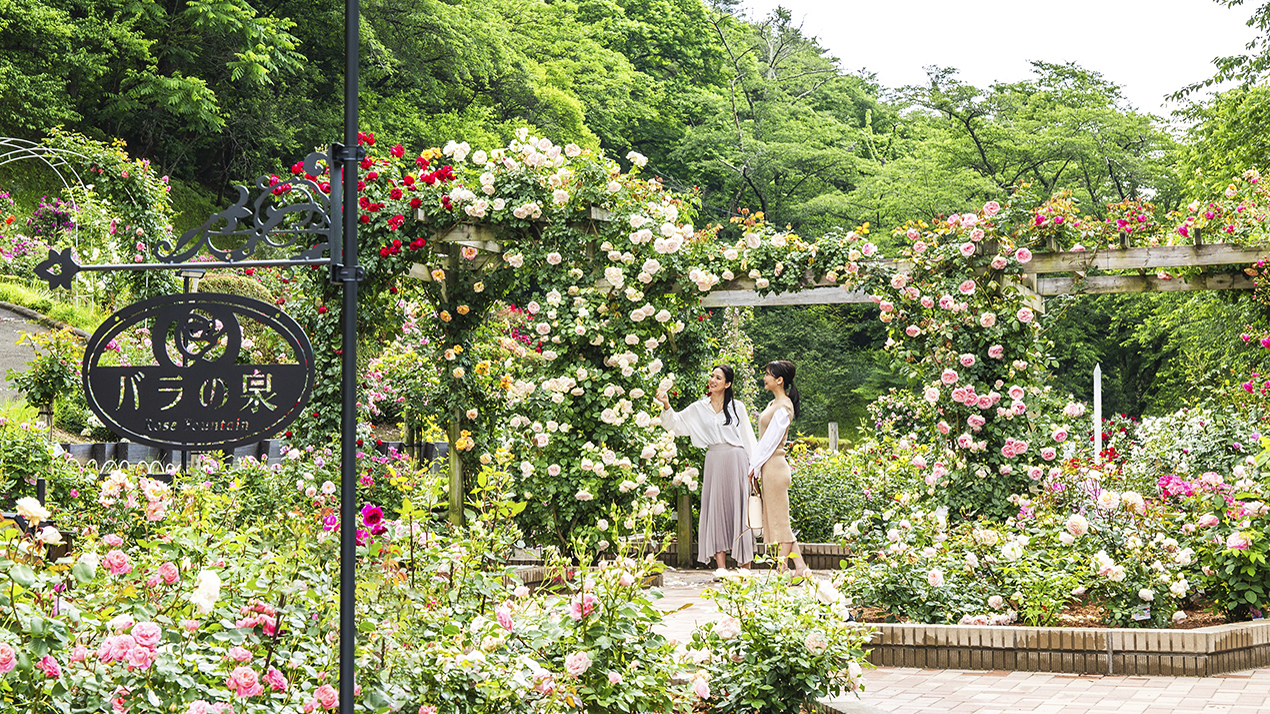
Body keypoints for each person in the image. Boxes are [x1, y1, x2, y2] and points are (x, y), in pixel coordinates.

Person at [657, 365, 757, 569]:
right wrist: (667, 406)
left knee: (740, 510)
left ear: (727, 384)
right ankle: (721, 568)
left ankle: (745, 567)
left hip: (737, 460)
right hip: (714, 460)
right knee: (715, 510)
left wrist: (754, 469)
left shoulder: (738, 407)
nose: (712, 380)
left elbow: (748, 438)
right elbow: (675, 424)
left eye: (718, 377)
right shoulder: (699, 408)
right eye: (712, 376)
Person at [748, 360, 811, 578]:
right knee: (777, 519)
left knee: (780, 521)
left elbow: (770, 442)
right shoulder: (773, 404)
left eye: (767, 374)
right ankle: (800, 567)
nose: (764, 378)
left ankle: (781, 569)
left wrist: (753, 467)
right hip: (769, 468)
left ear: (779, 380)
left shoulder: (783, 407)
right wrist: (756, 467)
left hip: (775, 467)